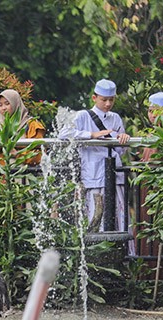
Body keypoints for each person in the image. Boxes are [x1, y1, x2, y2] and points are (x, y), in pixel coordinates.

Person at [63, 79, 130, 232]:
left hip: (114, 173)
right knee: (96, 217)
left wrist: (123, 140)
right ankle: (97, 252)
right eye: (104, 100)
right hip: (94, 175)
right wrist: (91, 134)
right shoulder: (82, 116)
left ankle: (124, 252)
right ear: (94, 98)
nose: (107, 104)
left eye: (111, 100)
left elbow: (119, 151)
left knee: (119, 216)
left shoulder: (115, 118)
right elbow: (64, 133)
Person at [0, 89, 46, 165]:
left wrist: (18, 155)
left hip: (25, 173)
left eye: (7, 104)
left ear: (16, 104)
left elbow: (39, 156)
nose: (3, 108)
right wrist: (1, 142)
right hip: (2, 175)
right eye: (0, 105)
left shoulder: (31, 125)